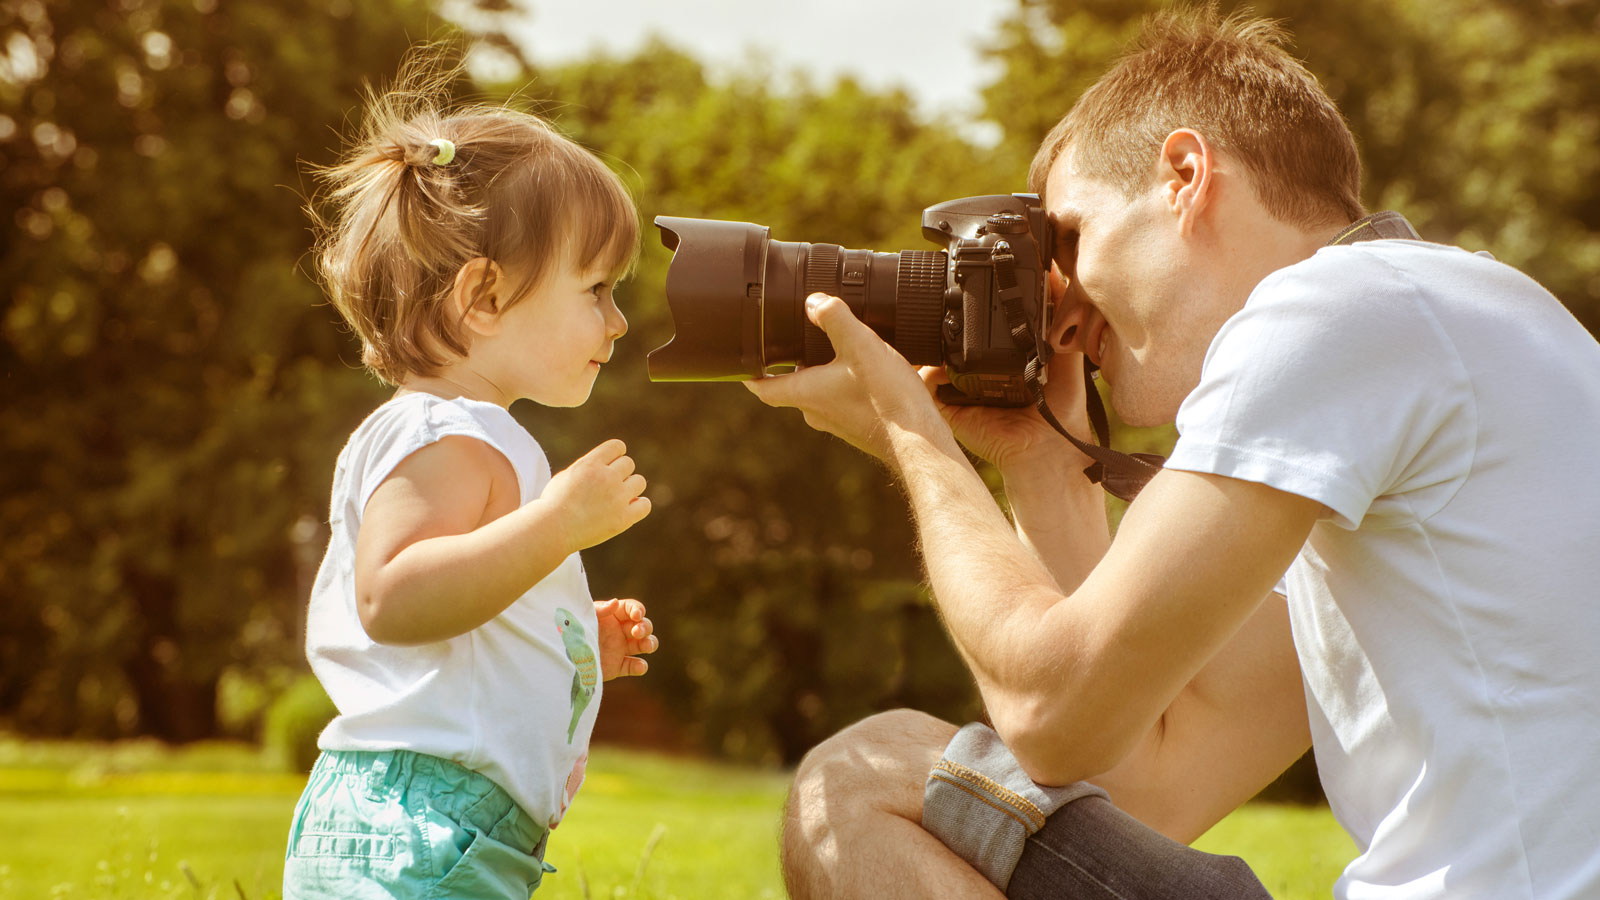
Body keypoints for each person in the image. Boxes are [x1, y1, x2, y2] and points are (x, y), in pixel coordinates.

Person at [751, 8, 1600, 900]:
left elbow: (1053, 716)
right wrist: (1038, 459)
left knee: (866, 774)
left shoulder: (1335, 307)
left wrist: (911, 433)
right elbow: (1148, 780)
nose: (1064, 308)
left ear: (1186, 177)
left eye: (1070, 240)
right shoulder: (1457, 320)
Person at [282, 56, 657, 899]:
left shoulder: (467, 435)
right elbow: (397, 598)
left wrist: (562, 636)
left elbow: (457, 620)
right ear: (482, 297)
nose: (619, 319)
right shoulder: (446, 435)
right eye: (596, 289)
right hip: (421, 829)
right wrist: (558, 525)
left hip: (429, 825)